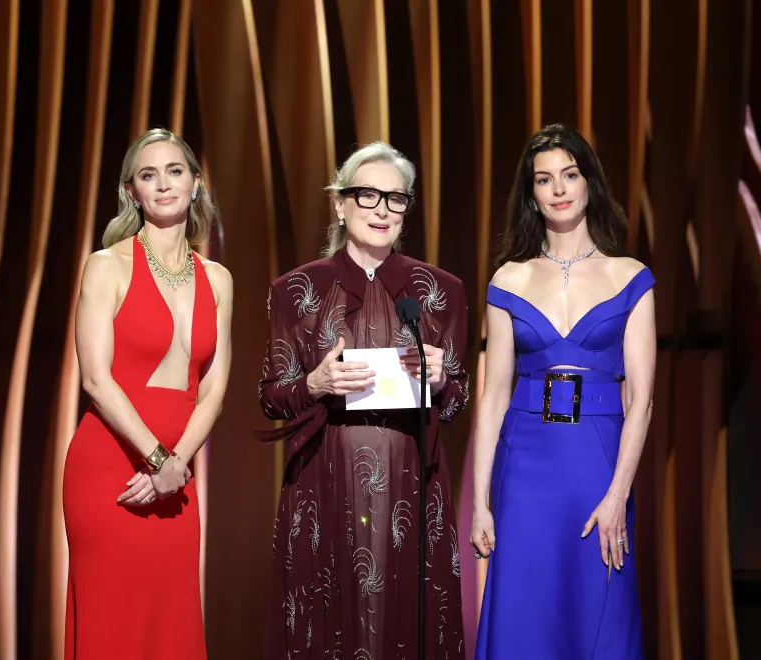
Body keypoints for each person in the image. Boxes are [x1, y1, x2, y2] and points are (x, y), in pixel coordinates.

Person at [258, 142, 469, 658]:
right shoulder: (296, 289)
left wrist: (443, 380)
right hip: (322, 478)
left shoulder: (440, 291)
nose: (380, 210)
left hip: (412, 481)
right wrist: (316, 383)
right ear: (340, 203)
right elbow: (271, 396)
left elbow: (459, 399)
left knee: (407, 618)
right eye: (367, 195)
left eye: (394, 199)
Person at [471, 123, 655, 658]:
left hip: (598, 462)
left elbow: (640, 398)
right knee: (524, 612)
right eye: (544, 179)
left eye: (570, 175)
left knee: (598, 602)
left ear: (589, 183)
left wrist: (618, 493)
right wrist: (480, 502)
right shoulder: (509, 279)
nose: (558, 189)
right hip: (524, 462)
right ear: (531, 194)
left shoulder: (631, 277)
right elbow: (493, 393)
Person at [63, 128, 232, 659]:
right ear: (131, 192)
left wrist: (174, 465)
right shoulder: (107, 265)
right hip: (110, 469)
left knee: (171, 625)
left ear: (196, 183)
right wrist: (157, 458)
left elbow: (214, 390)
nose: (163, 184)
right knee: (111, 627)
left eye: (175, 171)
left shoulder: (219, 278)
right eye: (148, 174)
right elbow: (95, 378)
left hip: (176, 477)